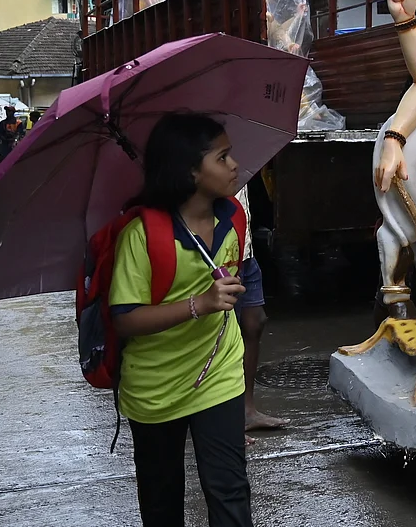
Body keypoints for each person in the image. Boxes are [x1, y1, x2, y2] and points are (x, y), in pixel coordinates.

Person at [110, 113, 253, 527]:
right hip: (155, 387)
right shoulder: (142, 234)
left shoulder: (233, 220)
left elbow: (227, 279)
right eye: (222, 158)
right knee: (161, 501)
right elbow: (126, 320)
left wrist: (226, 289)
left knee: (230, 490)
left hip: (219, 372)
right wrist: (200, 304)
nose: (234, 166)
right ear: (191, 171)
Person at [232, 185, 289, 437]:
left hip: (245, 249)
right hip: (221, 252)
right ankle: (224, 422)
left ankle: (246, 411)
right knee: (223, 334)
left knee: (255, 321)